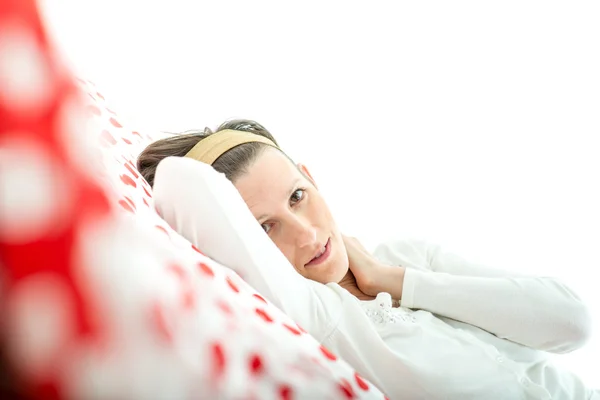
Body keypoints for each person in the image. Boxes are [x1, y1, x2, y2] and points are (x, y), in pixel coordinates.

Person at [138, 120, 598, 399]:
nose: (307, 233)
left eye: (298, 196)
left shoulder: (408, 255)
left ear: (312, 178)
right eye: (265, 226)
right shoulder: (317, 317)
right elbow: (182, 183)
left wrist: (394, 280)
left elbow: (570, 321)